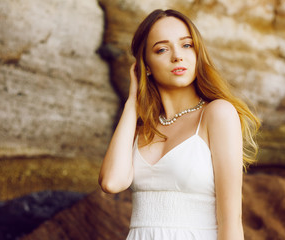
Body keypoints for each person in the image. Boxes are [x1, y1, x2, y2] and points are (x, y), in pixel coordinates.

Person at [99, 9, 260, 240]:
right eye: (162, 49)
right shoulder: (141, 128)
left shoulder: (217, 114)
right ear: (145, 65)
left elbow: (230, 221)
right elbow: (112, 182)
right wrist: (132, 103)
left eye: (186, 45)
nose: (177, 56)